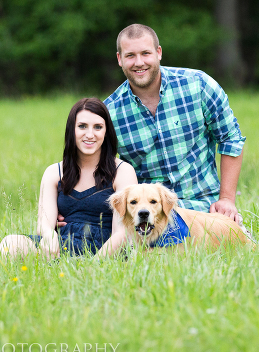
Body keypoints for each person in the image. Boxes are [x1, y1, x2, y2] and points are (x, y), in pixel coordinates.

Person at [0, 98, 137, 267]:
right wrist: (49, 236)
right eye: (82, 126)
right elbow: (44, 223)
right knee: (12, 242)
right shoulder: (54, 172)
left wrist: (93, 266)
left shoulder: (122, 172)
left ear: (107, 132)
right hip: (59, 247)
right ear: (72, 130)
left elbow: (122, 233)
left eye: (98, 127)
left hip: (102, 250)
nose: (90, 134)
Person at [104, 23, 246, 223]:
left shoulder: (198, 85)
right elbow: (96, 167)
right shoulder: (109, 113)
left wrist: (226, 200)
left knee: (231, 245)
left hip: (204, 208)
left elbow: (230, 138)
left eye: (146, 53)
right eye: (130, 56)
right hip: (149, 216)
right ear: (119, 59)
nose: (139, 62)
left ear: (158, 53)